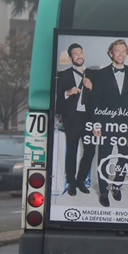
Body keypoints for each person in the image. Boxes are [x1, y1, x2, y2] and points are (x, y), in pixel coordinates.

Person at [90, 39, 128, 207]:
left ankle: (117, 185)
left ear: (127, 53)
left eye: (123, 51)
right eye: (117, 51)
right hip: (106, 123)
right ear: (111, 53)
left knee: (124, 156)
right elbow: (95, 101)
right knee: (104, 157)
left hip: (125, 123)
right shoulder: (101, 74)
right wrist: (97, 124)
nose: (120, 54)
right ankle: (104, 191)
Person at [56, 43, 95, 196]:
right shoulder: (64, 75)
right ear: (71, 57)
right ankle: (71, 182)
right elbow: (58, 101)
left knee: (90, 150)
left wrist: (91, 87)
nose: (79, 56)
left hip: (89, 118)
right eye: (75, 53)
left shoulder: (93, 74)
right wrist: (68, 92)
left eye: (81, 52)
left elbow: (101, 97)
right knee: (71, 151)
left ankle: (81, 180)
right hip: (73, 118)